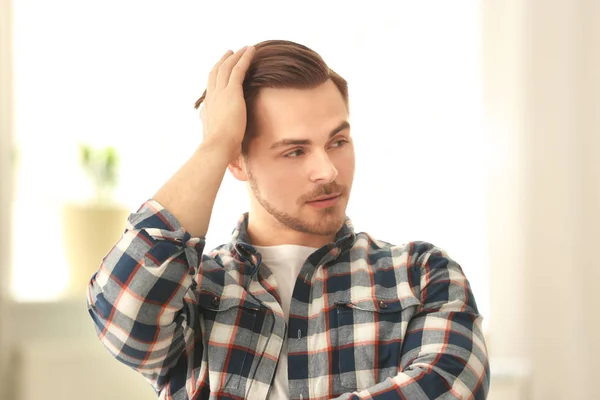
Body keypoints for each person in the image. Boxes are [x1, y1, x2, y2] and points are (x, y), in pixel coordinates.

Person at [87, 40, 490, 400]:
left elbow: (451, 386)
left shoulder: (421, 274)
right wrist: (215, 145)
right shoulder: (194, 291)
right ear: (238, 162)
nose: (328, 171)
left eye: (338, 141)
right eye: (295, 151)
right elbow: (123, 317)